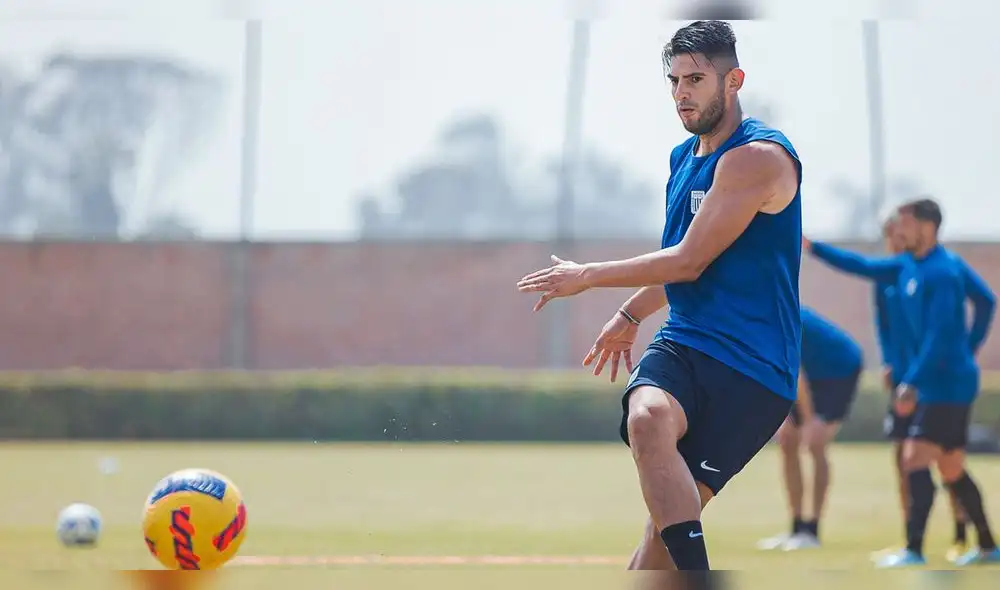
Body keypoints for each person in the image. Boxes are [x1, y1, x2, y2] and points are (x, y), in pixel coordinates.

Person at [516, 20, 802, 571]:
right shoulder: (683, 159)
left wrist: (589, 277)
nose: (681, 93)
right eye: (673, 81)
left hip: (755, 371)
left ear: (734, 80)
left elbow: (689, 261)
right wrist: (631, 313)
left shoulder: (757, 158)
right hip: (685, 346)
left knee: (658, 545)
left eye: (695, 79)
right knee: (645, 418)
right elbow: (685, 263)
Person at [803, 198, 998, 568]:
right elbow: (861, 265)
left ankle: (914, 550)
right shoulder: (907, 265)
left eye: (902, 223)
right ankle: (988, 546)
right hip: (941, 381)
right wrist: (813, 247)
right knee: (951, 467)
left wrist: (916, 379)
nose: (895, 230)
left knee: (913, 457)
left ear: (926, 226)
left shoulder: (943, 272)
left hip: (945, 385)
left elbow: (940, 339)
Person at [756, 307, 863, 552]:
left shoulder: (777, 317)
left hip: (840, 370)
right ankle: (796, 528)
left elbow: (797, 375)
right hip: (812, 372)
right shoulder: (756, 320)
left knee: (815, 443)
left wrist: (811, 419)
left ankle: (812, 532)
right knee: (787, 439)